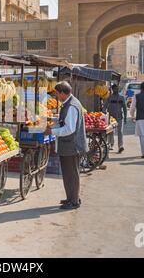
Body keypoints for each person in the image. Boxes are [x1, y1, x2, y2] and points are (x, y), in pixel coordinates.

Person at [45, 81, 87, 210]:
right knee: (68, 173)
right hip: (67, 145)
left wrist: (52, 131)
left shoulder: (72, 106)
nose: (56, 96)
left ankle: (74, 201)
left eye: (57, 94)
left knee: (71, 174)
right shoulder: (68, 104)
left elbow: (69, 129)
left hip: (72, 146)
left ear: (63, 93)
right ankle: (71, 197)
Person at [104, 84, 127, 153]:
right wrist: (103, 112)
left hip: (120, 117)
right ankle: (111, 144)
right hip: (111, 118)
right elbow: (105, 106)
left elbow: (125, 108)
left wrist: (125, 117)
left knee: (120, 132)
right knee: (111, 132)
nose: (116, 90)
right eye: (114, 89)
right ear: (112, 89)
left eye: (117, 89)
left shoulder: (122, 98)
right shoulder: (110, 98)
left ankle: (120, 146)